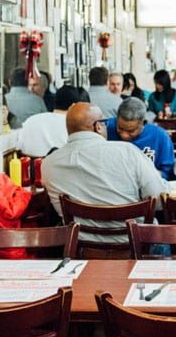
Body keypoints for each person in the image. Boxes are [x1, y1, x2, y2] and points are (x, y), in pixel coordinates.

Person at [41, 102, 167, 238]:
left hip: (80, 249)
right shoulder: (128, 152)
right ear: (98, 126)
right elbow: (159, 199)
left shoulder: (48, 164)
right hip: (138, 246)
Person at [105, 97, 175, 179]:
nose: (124, 135)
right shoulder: (105, 128)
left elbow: (167, 172)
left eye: (131, 131)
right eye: (120, 128)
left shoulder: (160, 137)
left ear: (143, 123)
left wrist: (151, 175)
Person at [18, 85, 89, 157]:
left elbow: (19, 147)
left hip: (27, 166)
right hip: (61, 166)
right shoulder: (73, 126)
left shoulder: (30, 120)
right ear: (74, 106)